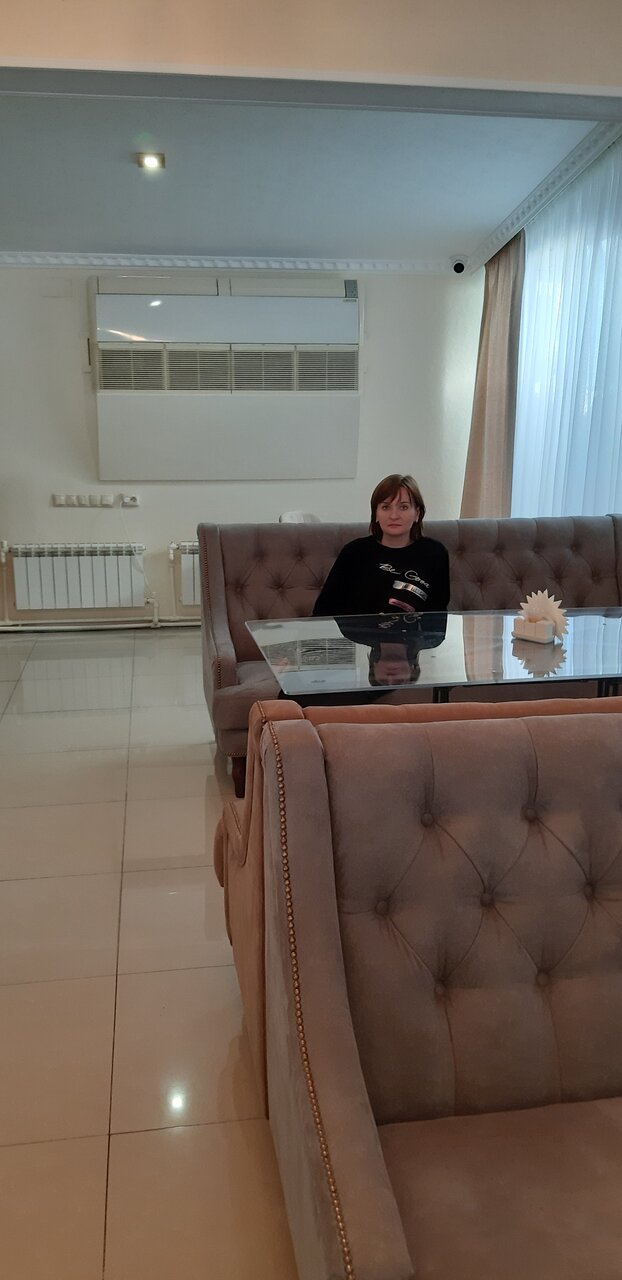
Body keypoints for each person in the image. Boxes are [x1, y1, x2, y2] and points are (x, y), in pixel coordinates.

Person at [313, 473, 450, 617]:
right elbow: (322, 612)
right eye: (386, 507)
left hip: (411, 632)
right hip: (356, 632)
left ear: (417, 513)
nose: (394, 516)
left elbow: (437, 617)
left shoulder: (435, 553)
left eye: (403, 507)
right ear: (376, 514)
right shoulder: (354, 552)